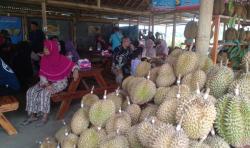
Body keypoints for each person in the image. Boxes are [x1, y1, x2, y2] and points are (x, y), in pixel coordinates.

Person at [23, 40, 79, 126]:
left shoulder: (62, 58)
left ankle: (44, 117)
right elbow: (42, 74)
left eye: (46, 48)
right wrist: (46, 84)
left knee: (44, 93)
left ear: (53, 49)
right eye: (44, 47)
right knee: (30, 91)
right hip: (46, 81)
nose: (44, 49)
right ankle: (32, 115)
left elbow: (73, 65)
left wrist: (75, 70)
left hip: (60, 82)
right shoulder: (44, 59)